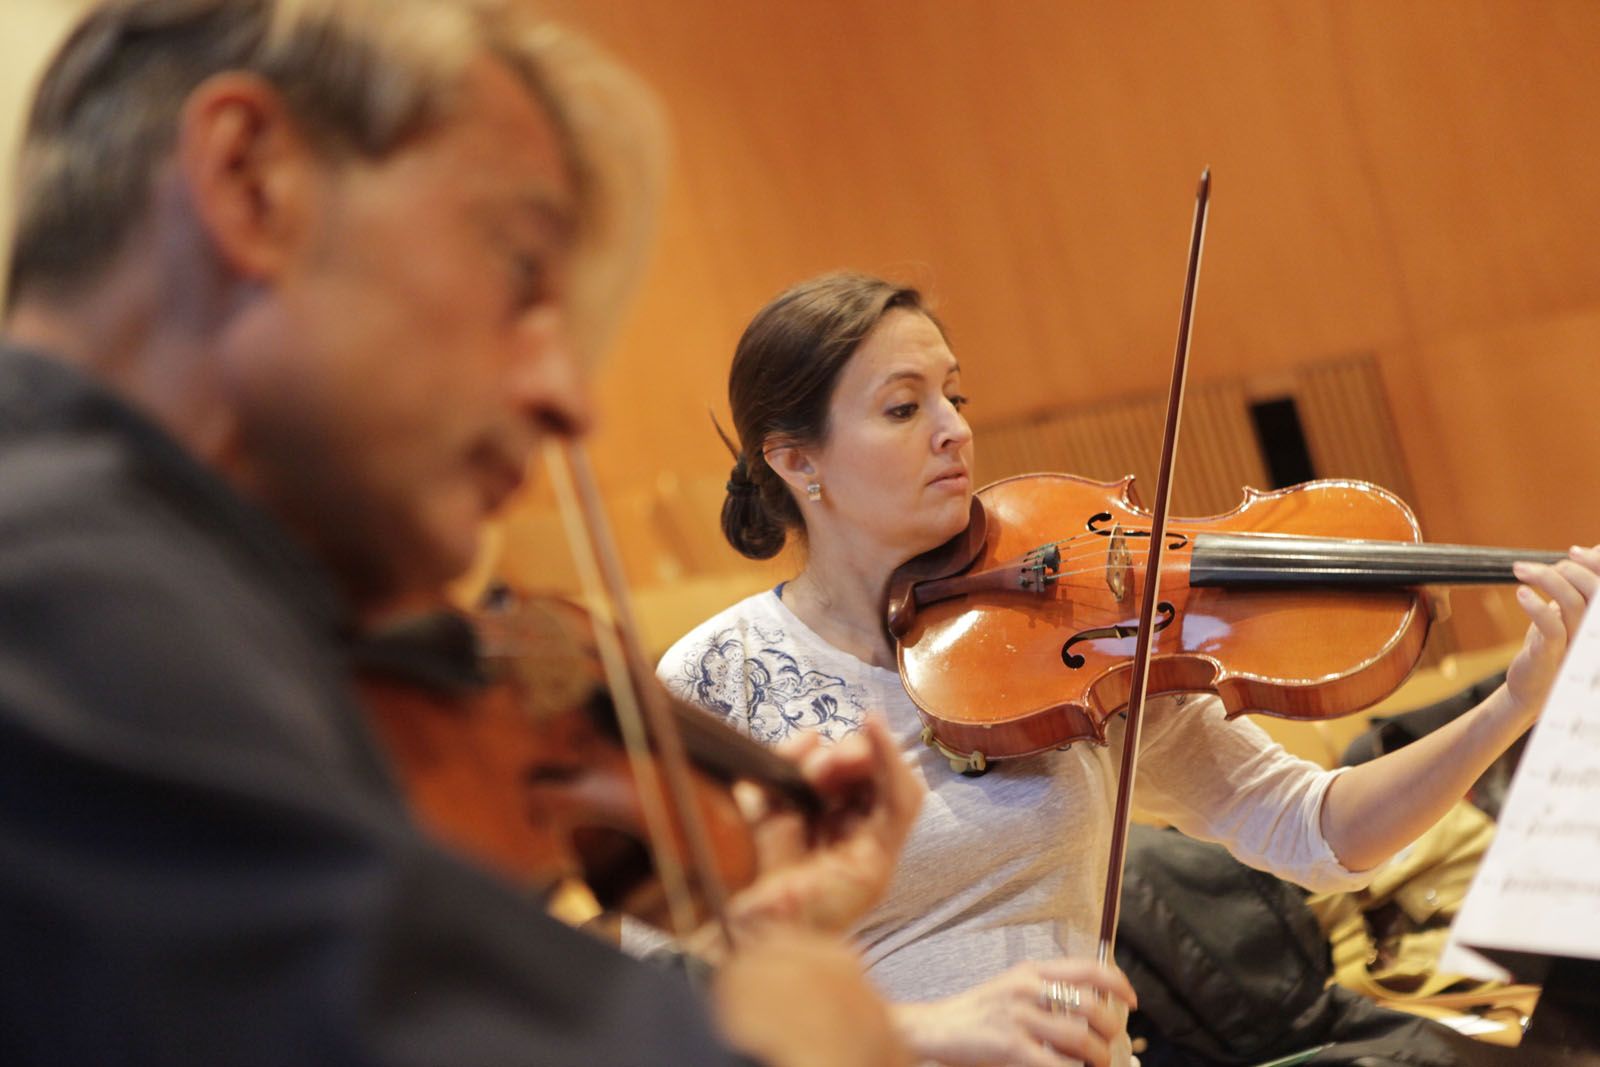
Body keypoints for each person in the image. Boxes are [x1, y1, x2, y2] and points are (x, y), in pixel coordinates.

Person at [0, 4, 924, 1065]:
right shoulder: (70, 609)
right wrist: (811, 998)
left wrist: (779, 921)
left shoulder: (173, 600)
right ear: (250, 180)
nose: (567, 398)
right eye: (522, 274)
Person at [656, 271, 1600, 1066]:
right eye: (904, 407)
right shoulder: (715, 682)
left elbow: (1319, 833)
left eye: (956, 396)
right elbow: (657, 1000)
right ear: (795, 461)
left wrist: (1512, 708)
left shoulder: (1078, 631)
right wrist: (929, 1031)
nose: (954, 429)